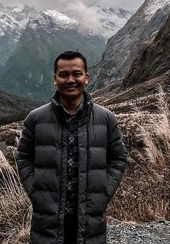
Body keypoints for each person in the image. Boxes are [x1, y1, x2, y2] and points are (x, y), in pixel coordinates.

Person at [16, 51, 128, 244]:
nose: (70, 80)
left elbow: (118, 158)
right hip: (47, 222)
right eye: (63, 74)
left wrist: (104, 192)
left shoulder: (106, 119)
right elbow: (23, 157)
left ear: (86, 77)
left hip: (90, 221)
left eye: (76, 74)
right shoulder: (35, 119)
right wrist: (35, 191)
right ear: (54, 79)